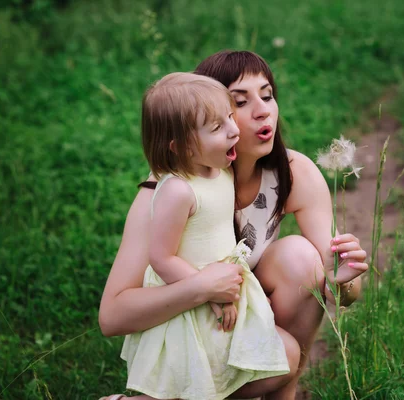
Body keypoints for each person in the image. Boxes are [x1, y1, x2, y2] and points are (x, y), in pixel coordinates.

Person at [99, 51, 368, 400]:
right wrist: (201, 288)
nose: (262, 110)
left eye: (267, 95)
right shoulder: (170, 190)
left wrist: (344, 280)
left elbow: (339, 290)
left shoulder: (292, 173)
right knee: (283, 352)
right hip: (182, 331)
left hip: (235, 312)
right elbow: (113, 317)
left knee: (300, 258)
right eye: (239, 102)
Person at [111, 72, 292, 400]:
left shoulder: (219, 171)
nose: (234, 130)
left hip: (220, 293)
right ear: (181, 147)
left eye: (229, 118)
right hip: (189, 305)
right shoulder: (177, 190)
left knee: (266, 362)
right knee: (188, 381)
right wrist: (210, 292)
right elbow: (162, 257)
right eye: (218, 128)